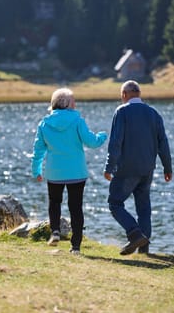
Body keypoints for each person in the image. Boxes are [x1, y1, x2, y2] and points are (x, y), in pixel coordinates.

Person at [31, 88, 107, 254]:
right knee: (76, 208)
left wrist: (36, 170)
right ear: (67, 103)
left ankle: (55, 231)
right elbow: (91, 142)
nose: (76, 103)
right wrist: (102, 136)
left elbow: (38, 150)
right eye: (73, 101)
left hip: (54, 172)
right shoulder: (77, 120)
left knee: (54, 202)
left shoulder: (44, 123)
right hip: (76, 172)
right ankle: (76, 247)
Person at [104, 80, 172, 255]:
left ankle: (134, 234)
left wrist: (109, 167)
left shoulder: (122, 111)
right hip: (147, 169)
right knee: (143, 208)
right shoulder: (153, 113)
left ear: (124, 95)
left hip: (127, 169)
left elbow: (116, 142)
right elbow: (163, 143)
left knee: (115, 203)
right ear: (139, 94)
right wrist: (167, 168)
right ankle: (144, 248)